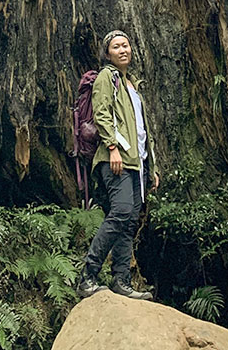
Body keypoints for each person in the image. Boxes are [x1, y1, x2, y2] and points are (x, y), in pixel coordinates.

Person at [76, 30, 160, 299]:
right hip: (116, 159)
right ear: (108, 53)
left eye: (126, 45)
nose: (123, 49)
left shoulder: (132, 85)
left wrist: (152, 169)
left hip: (138, 164)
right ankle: (87, 276)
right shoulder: (106, 77)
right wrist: (112, 147)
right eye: (116, 46)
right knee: (121, 212)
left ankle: (121, 281)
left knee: (129, 221)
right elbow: (102, 114)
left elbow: (142, 131)